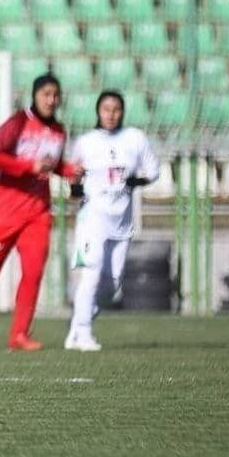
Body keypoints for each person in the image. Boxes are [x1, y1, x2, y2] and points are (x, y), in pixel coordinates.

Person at [0, 73, 83, 352]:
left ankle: (19, 334)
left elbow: (53, 165)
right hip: (2, 210)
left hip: (37, 212)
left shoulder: (59, 130)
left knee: (33, 272)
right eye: (46, 94)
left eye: (55, 95)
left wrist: (69, 170)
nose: (51, 100)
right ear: (34, 96)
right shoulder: (18, 123)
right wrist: (28, 166)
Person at [66, 91, 160, 351]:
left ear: (123, 111)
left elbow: (153, 171)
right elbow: (73, 174)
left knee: (112, 284)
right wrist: (75, 189)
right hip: (92, 217)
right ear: (98, 111)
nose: (111, 113)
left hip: (121, 221)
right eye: (106, 108)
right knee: (91, 274)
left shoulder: (135, 138)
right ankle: (84, 334)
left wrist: (137, 181)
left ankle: (77, 325)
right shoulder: (85, 142)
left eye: (116, 109)